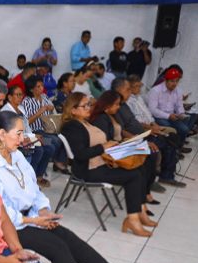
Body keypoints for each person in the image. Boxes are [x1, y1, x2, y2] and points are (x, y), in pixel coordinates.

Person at [0, 111, 153, 263]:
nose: (22, 139)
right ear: (1, 134)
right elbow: (0, 210)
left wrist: (43, 211)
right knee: (57, 247)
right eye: (18, 133)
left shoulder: (16, 154)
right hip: (9, 226)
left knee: (70, 239)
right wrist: (34, 221)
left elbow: (34, 189)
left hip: (32, 217)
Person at [60, 92, 155, 237]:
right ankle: (133, 219)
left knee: (139, 167)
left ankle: (139, 211)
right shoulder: (72, 126)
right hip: (87, 170)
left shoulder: (84, 122)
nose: (89, 108)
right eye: (84, 105)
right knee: (134, 176)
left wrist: (113, 147)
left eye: (89, 104)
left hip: (100, 163)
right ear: (73, 110)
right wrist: (104, 146)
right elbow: (80, 154)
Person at [1, 85, 54, 182]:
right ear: (9, 97)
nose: (21, 97)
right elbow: (13, 133)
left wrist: (34, 136)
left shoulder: (20, 108)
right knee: (39, 150)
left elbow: (27, 126)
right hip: (18, 140)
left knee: (49, 144)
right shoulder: (6, 111)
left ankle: (39, 175)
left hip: (29, 137)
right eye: (18, 95)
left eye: (21, 95)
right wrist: (33, 137)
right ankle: (30, 179)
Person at [20, 75, 67, 177]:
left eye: (42, 85)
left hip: (46, 129)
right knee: (51, 145)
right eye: (38, 86)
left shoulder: (44, 97)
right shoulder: (27, 102)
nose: (41, 88)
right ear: (31, 89)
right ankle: (37, 174)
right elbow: (26, 122)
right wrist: (39, 113)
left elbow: (51, 107)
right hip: (34, 132)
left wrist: (51, 107)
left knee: (60, 140)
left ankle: (45, 170)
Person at [146, 68, 194, 147]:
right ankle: (172, 148)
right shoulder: (155, 91)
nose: (174, 84)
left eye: (177, 81)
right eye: (172, 81)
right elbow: (152, 110)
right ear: (166, 80)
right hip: (158, 116)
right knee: (170, 128)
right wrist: (168, 116)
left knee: (185, 129)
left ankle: (178, 148)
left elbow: (179, 105)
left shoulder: (178, 91)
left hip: (172, 116)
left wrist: (181, 113)